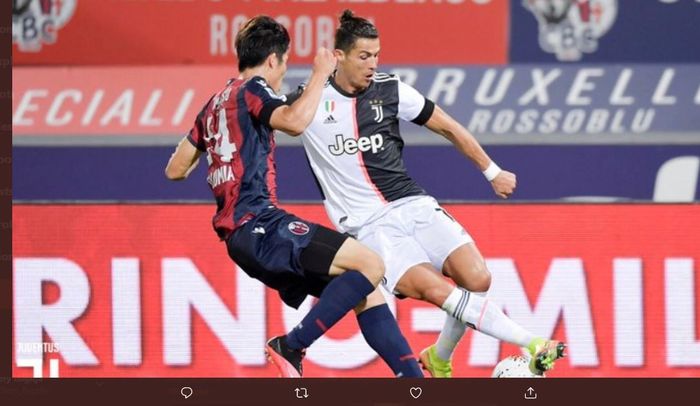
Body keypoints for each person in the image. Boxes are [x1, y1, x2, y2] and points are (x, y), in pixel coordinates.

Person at [294, 10, 566, 377]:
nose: (373, 64)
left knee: (478, 279)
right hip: (370, 229)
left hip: (413, 204)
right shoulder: (309, 101)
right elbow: (266, 120)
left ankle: (439, 357)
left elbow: (447, 126)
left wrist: (493, 171)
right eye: (363, 56)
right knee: (437, 291)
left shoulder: (391, 90)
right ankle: (533, 342)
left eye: (376, 55)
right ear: (338, 56)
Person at [165, 15, 422, 378]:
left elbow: (175, 170)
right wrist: (319, 74)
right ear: (273, 60)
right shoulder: (253, 89)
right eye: (284, 63)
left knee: (366, 289)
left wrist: (218, 154)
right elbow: (294, 122)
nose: (283, 73)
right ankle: (292, 345)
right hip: (260, 222)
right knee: (371, 264)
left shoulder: (213, 105)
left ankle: (414, 381)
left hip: (240, 237)